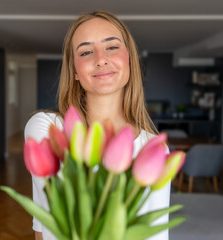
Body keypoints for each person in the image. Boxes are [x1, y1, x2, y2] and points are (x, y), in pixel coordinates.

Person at [24, 10, 170, 240]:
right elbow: (44, 224)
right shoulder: (48, 129)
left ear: (129, 59)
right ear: (74, 71)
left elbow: (157, 235)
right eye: (86, 51)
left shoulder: (153, 147)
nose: (100, 58)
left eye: (112, 47)